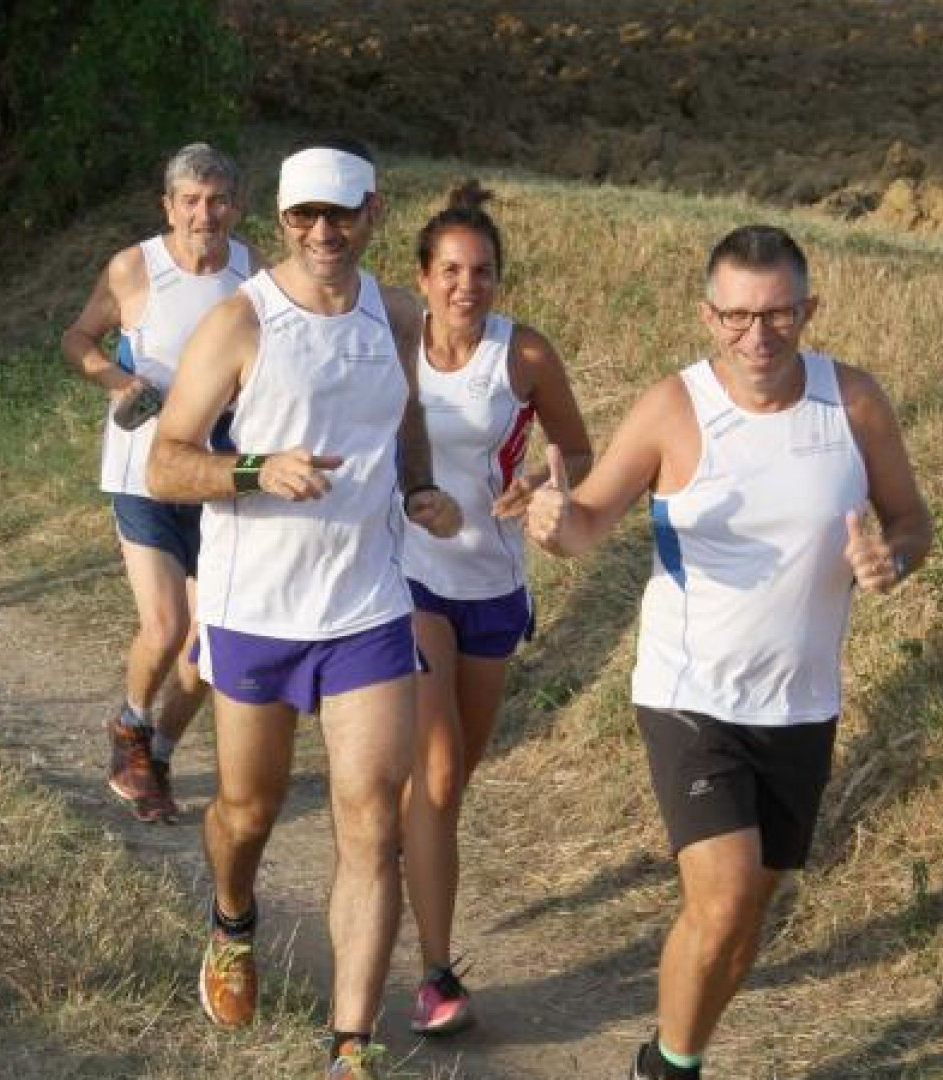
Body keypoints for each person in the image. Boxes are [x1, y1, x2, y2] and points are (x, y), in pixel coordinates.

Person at [525, 225, 933, 1080]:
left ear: (808, 310)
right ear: (709, 316)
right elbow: (588, 521)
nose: (759, 337)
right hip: (688, 694)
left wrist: (890, 558)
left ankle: (667, 1055)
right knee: (725, 897)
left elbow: (911, 518)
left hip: (801, 701)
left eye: (779, 315)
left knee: (748, 918)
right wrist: (556, 524)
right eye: (739, 317)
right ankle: (672, 1077)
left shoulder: (852, 402)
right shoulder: (675, 407)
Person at [148, 139, 462, 1080]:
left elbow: (402, 413)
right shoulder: (243, 323)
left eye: (341, 214)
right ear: (278, 222)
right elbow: (168, 458)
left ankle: (349, 1047)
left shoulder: (396, 314)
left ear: (373, 213)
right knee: (248, 812)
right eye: (302, 217)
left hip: (367, 605)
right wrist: (254, 469)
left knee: (371, 819)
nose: (323, 233)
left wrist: (417, 490)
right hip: (257, 608)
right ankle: (233, 916)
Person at [397, 181, 593, 1037]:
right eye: (449, 270)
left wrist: (540, 481)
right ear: (423, 276)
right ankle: (435, 974)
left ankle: (395, 849)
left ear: (497, 280)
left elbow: (578, 450)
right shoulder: (393, 344)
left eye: (480, 272)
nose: (465, 286)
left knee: (453, 780)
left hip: (493, 585)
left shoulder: (525, 358)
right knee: (438, 771)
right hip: (405, 576)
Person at [61, 143, 254, 824]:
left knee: (212, 644)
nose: (205, 214)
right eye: (191, 201)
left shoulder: (252, 272)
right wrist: (117, 380)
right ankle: (130, 726)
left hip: (213, 474)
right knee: (167, 624)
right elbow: (77, 338)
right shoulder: (134, 268)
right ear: (169, 206)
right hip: (141, 472)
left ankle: (158, 752)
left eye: (218, 200)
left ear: (237, 204)